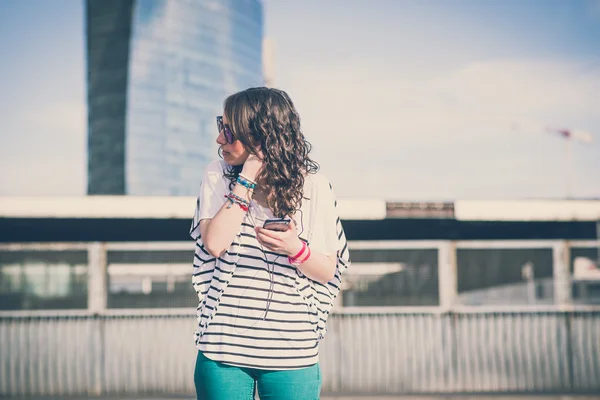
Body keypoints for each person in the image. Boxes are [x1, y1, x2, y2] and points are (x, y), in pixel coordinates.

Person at [189, 87, 350, 400]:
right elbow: (215, 243)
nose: (219, 139)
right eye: (220, 126)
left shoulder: (314, 186)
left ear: (259, 136)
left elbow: (326, 270)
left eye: (229, 131)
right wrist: (248, 174)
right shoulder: (217, 175)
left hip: (293, 352)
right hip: (223, 351)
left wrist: (295, 248)